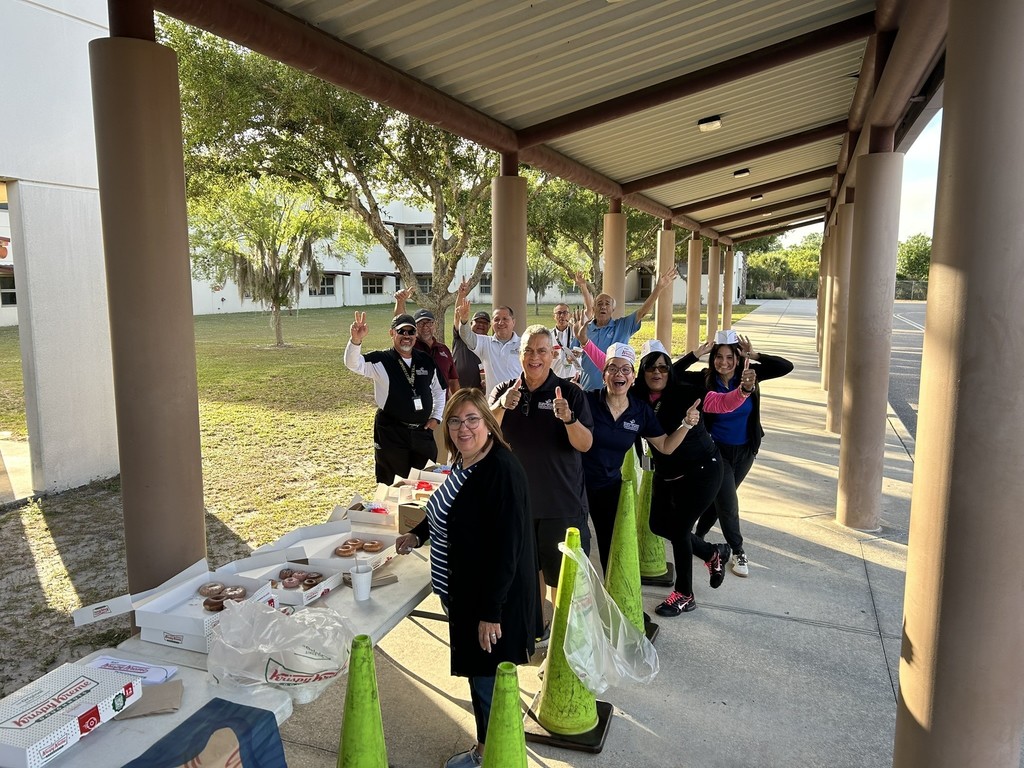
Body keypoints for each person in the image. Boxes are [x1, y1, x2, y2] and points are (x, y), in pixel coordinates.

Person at [396, 388, 537, 768]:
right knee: (480, 676)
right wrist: (418, 533)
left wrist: (490, 612)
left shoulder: (500, 472)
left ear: (489, 425)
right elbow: (447, 507)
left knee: (485, 679)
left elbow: (509, 549)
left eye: (472, 419)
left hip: (486, 602)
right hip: (463, 592)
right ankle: (491, 744)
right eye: (456, 420)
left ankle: (491, 754)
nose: (463, 428)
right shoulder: (464, 462)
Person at [632, 339, 754, 616]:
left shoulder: (687, 393)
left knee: (678, 530)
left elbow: (723, 403)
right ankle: (712, 553)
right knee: (657, 524)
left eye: (663, 368)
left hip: (702, 470)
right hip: (667, 472)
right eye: (651, 368)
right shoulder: (636, 395)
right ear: (643, 371)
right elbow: (614, 373)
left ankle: (685, 594)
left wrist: (744, 390)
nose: (658, 373)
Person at [489, 325, 593, 618]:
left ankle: (561, 639)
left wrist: (569, 419)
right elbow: (483, 434)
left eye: (542, 351)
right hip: (517, 505)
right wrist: (501, 406)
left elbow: (585, 445)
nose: (535, 357)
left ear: (552, 355)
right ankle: (536, 628)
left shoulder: (570, 393)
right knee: (527, 575)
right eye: (529, 351)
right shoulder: (504, 390)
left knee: (563, 579)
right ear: (520, 354)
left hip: (561, 504)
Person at [674, 331, 794, 577]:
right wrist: (695, 354)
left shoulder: (749, 376)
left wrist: (755, 355)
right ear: (712, 358)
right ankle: (738, 551)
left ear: (738, 359)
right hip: (717, 451)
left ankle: (699, 536)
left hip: (746, 449)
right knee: (728, 502)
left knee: (721, 499)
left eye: (730, 357)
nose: (724, 362)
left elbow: (786, 366)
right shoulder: (704, 379)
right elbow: (672, 375)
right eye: (719, 356)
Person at [577, 341, 694, 573]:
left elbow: (664, 446)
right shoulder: (587, 401)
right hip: (575, 486)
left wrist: (686, 425)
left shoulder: (640, 411)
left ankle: (613, 600)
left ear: (632, 378)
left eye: (625, 370)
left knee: (610, 546)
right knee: (578, 544)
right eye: (612, 369)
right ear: (603, 375)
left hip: (608, 487)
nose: (618, 374)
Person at [345, 312, 444, 484]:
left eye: (410, 332)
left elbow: (440, 390)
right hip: (392, 433)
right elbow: (353, 364)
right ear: (392, 333)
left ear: (416, 335)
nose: (406, 336)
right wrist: (356, 340)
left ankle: (418, 512)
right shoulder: (381, 359)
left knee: (425, 480)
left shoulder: (426, 360)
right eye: (401, 331)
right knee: (392, 483)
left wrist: (436, 417)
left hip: (422, 432)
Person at [575, 269, 679, 390]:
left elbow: (643, 312)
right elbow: (575, 351)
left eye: (607, 303)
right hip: (588, 389)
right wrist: (573, 355)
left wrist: (659, 288)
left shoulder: (623, 326)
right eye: (599, 303)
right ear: (594, 308)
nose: (603, 306)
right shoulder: (585, 329)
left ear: (613, 309)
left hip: (616, 390)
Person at [392, 288, 460, 396]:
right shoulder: (410, 347)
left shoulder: (444, 350)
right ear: (414, 327)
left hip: (442, 405)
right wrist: (400, 302)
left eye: (429, 323)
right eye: (420, 324)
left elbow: (453, 381)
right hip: (417, 406)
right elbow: (400, 321)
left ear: (435, 326)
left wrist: (457, 404)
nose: (425, 327)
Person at [454, 280, 522, 386]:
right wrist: (464, 319)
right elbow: (465, 334)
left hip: (518, 399)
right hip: (492, 400)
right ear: (493, 324)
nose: (501, 322)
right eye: (496, 319)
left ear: (513, 322)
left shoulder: (524, 343)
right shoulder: (485, 343)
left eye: (505, 319)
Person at [452, 310, 491, 389]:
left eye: (484, 323)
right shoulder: (462, 336)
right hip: (458, 389)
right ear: (470, 324)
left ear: (489, 327)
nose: (481, 325)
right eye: (478, 322)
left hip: (480, 392)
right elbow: (457, 315)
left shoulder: (491, 343)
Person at [550, 302, 584, 381]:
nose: (562, 316)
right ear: (554, 317)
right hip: (555, 377)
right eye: (559, 313)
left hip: (575, 377)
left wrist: (581, 353)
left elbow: (587, 349)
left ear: (570, 315)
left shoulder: (577, 333)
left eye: (565, 313)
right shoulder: (548, 335)